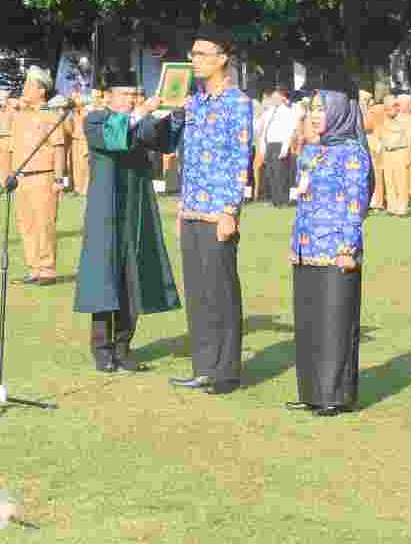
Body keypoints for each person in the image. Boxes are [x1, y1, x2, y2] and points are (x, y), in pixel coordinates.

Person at [165, 27, 253, 395]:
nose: (194, 60)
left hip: (219, 212)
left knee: (221, 292)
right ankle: (202, 366)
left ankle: (225, 371)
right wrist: (182, 207)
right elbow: (187, 159)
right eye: (193, 53)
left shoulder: (237, 103)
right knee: (198, 294)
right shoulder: (194, 103)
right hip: (192, 211)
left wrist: (230, 210)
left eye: (202, 54)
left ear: (222, 59)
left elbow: (239, 158)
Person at [73, 71, 180, 374]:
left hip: (137, 208)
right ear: (107, 96)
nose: (132, 100)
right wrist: (141, 112)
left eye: (135, 95)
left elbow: (164, 141)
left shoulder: (140, 120)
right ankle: (102, 348)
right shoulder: (95, 120)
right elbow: (114, 136)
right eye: (125, 95)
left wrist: (176, 112)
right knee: (104, 278)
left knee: (133, 277)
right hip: (106, 209)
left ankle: (123, 346)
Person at [287, 90, 371, 417]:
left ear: (339, 113)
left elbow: (355, 206)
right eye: (314, 110)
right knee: (308, 323)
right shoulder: (312, 152)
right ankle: (311, 392)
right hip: (307, 249)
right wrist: (296, 244)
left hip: (337, 251)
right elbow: (302, 200)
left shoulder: (353, 154)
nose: (316, 115)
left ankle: (334, 395)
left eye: (323, 110)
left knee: (335, 325)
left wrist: (348, 249)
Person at [10, 67, 71, 285]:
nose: (25, 90)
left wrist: (58, 179)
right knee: (25, 223)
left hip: (43, 176)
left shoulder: (50, 116)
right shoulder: (19, 116)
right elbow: (13, 147)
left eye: (29, 86)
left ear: (42, 90)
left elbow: (59, 148)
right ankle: (34, 266)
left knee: (45, 222)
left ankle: (47, 268)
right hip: (21, 177)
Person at [260, 88, 299, 207]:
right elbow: (264, 129)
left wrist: (285, 148)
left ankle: (282, 200)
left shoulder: (287, 111)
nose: (274, 100)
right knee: (270, 173)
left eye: (276, 97)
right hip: (269, 145)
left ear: (282, 98)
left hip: (279, 144)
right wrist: (263, 146)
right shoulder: (269, 112)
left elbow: (289, 131)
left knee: (280, 173)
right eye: (273, 98)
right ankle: (275, 200)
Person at [379, 94, 411, 216]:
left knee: (401, 182)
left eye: (391, 108)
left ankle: (402, 208)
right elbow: (381, 138)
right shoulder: (384, 120)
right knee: (389, 181)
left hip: (400, 152)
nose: (388, 111)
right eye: (386, 108)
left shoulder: (404, 120)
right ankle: (391, 207)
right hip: (387, 153)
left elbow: (409, 139)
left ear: (397, 107)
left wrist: (408, 157)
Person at [0, 95, 16, 189]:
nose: (1, 102)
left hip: (9, 139)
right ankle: (3, 185)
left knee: (9, 164)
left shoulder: (12, 111)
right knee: (1, 164)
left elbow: (15, 126)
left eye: (2, 99)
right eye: (0, 99)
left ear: (6, 100)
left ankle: (10, 184)